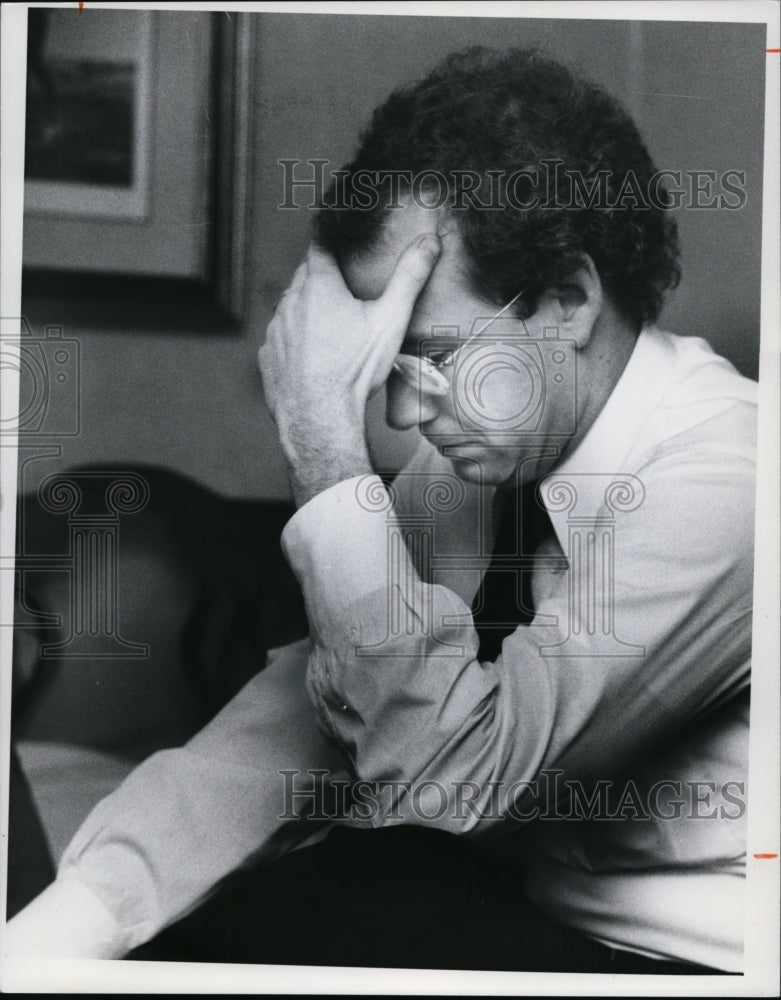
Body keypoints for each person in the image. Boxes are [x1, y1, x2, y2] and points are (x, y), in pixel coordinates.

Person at [5, 47, 755, 973]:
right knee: (231, 915)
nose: (402, 416)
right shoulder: (481, 462)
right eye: (383, 371)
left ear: (567, 296)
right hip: (539, 922)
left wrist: (322, 433)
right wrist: (53, 934)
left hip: (705, 965)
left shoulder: (732, 480)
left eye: (430, 356)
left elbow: (450, 780)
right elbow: (311, 713)